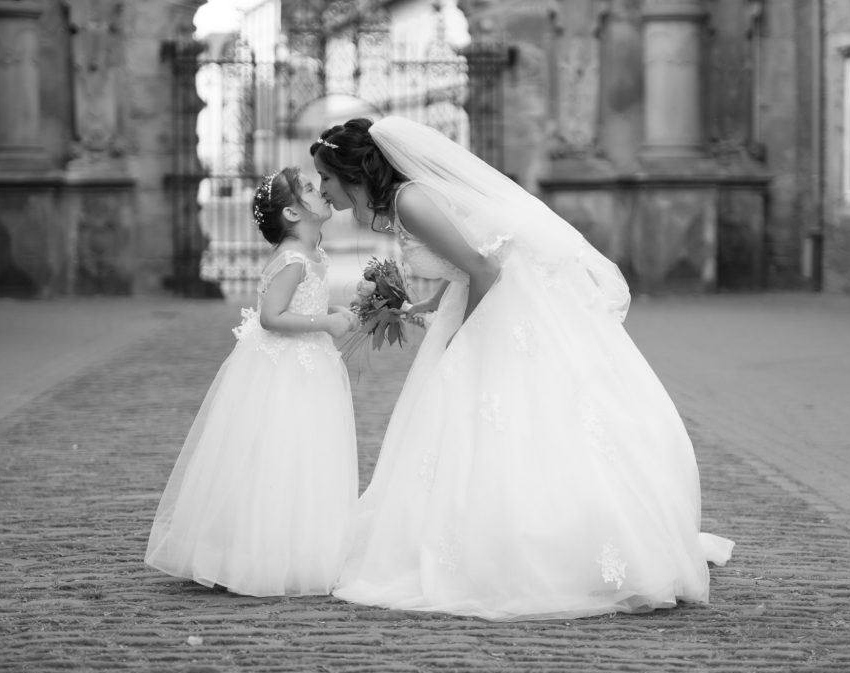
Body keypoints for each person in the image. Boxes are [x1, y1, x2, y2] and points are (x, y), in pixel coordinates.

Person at [311, 117, 734, 621]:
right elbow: (475, 255)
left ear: (350, 171)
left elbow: (486, 268)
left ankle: (566, 546)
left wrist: (463, 339)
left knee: (516, 416)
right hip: (496, 298)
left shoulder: (410, 201)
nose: (322, 191)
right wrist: (428, 304)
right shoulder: (408, 201)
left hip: (507, 310)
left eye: (325, 180)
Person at [145, 167, 360, 597]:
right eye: (310, 190)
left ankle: (304, 547)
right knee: (275, 450)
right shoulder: (292, 259)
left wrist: (339, 308)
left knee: (308, 454)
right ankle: (253, 552)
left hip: (310, 364)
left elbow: (307, 300)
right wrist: (326, 324)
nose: (322, 193)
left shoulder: (314, 254)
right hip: (283, 368)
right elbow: (272, 317)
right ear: (292, 214)